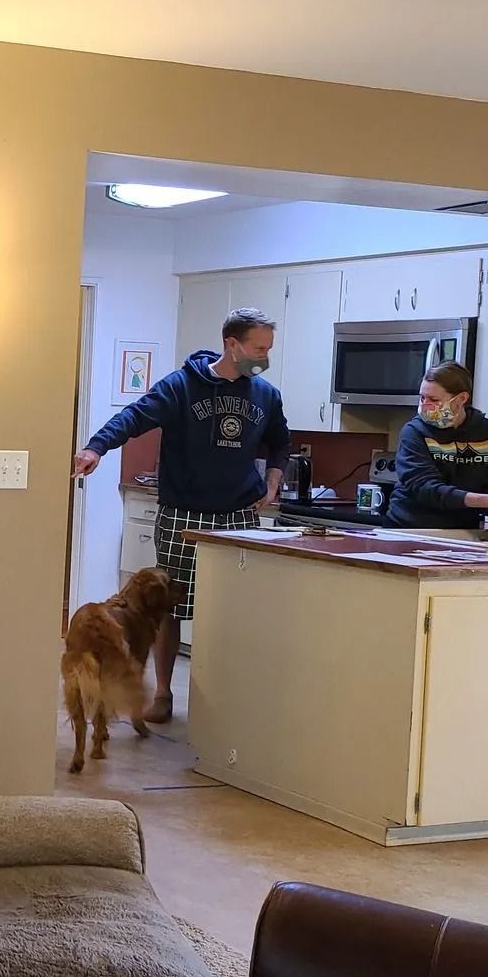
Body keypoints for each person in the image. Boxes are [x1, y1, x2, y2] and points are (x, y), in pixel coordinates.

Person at [72, 308, 289, 723]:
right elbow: (134, 417)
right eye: (259, 348)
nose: (264, 357)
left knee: (232, 612)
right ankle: (164, 694)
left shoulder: (266, 394)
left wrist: (275, 477)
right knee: (169, 608)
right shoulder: (181, 386)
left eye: (268, 349)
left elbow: (280, 442)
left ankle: (223, 699)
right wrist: (96, 447)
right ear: (232, 344)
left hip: (239, 516)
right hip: (184, 515)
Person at [385, 362, 488, 531]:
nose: (424, 405)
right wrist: (486, 500)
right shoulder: (414, 432)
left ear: (461, 399)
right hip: (408, 528)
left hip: (463, 530)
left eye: (433, 399)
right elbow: (424, 488)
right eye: (422, 397)